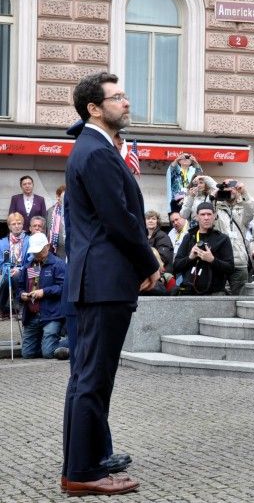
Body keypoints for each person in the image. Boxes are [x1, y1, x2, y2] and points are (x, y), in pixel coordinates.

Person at [62, 71, 159, 496]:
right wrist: (148, 260)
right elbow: (118, 220)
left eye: (125, 95)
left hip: (97, 281)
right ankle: (83, 473)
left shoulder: (93, 147)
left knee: (86, 376)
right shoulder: (97, 153)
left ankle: (89, 459)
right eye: (117, 97)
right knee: (93, 379)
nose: (126, 102)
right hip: (104, 281)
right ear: (94, 109)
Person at [15, 232, 68, 359]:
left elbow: (64, 288)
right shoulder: (31, 265)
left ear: (48, 247)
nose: (36, 254)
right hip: (33, 315)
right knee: (27, 354)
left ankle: (72, 344)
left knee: (48, 353)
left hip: (51, 314)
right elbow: (20, 287)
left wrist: (44, 292)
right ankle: (47, 344)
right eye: (34, 252)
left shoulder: (57, 264)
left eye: (39, 251)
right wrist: (22, 295)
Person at [173, 202, 234, 295]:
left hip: (214, 292)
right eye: (202, 214)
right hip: (190, 292)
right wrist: (190, 257)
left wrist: (212, 260)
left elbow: (230, 268)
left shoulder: (222, 238)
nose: (206, 218)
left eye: (209, 214)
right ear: (197, 217)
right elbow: (176, 266)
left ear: (214, 216)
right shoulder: (189, 237)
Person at [214, 180, 254, 294]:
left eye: (231, 187)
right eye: (226, 188)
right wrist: (214, 197)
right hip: (221, 261)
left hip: (239, 261)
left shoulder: (243, 206)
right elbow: (205, 218)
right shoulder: (216, 207)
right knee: (221, 297)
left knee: (241, 297)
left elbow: (252, 212)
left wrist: (244, 193)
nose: (228, 190)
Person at [0, 212, 29, 319]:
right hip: (8, 270)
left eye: (19, 223)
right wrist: (8, 270)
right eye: (13, 224)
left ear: (23, 224)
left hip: (24, 270)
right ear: (9, 226)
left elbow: (30, 260)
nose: (17, 226)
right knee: (7, 279)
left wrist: (20, 269)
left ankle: (20, 305)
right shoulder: (2, 243)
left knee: (17, 275)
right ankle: (2, 307)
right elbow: (1, 262)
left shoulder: (28, 240)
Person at [47, 185, 67, 259]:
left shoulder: (74, 211)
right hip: (54, 249)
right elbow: (47, 229)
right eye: (64, 196)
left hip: (70, 249)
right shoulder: (50, 211)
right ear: (58, 196)